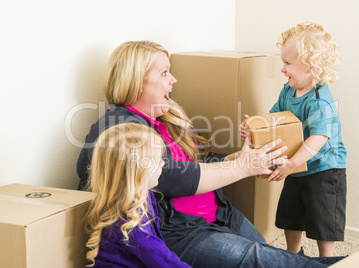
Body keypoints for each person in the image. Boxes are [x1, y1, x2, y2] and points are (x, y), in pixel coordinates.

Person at [77, 40, 344, 267]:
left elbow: (197, 162)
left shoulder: (165, 117)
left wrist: (236, 159)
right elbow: (168, 176)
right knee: (263, 259)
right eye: (164, 73)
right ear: (135, 81)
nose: (173, 80)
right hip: (183, 232)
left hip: (220, 214)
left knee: (274, 259)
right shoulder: (116, 127)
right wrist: (244, 168)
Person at [240, 21, 347, 257]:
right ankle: (292, 252)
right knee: (291, 213)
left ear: (311, 67)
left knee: (323, 219)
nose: (282, 69)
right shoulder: (288, 90)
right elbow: (275, 117)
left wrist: (290, 164)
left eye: (287, 63)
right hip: (296, 166)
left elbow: (318, 138)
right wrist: (254, 127)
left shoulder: (320, 100)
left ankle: (326, 259)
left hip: (324, 169)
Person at [85, 123, 191, 267]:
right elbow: (163, 260)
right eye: (157, 160)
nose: (162, 163)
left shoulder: (142, 195)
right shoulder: (128, 221)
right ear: (138, 173)